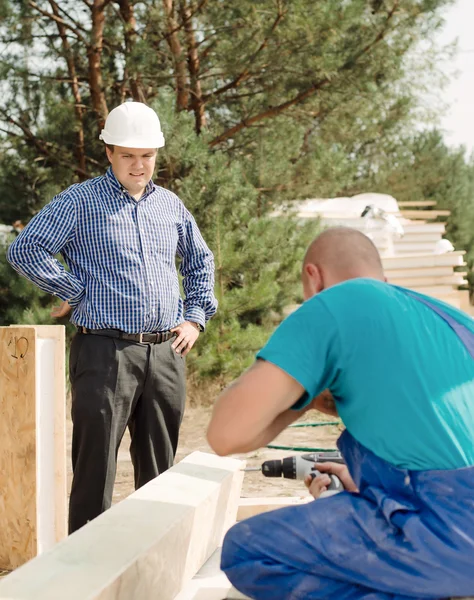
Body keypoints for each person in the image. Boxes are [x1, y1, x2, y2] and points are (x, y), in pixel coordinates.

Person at [207, 227, 474, 600]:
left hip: (447, 534)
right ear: (384, 278)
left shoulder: (336, 302)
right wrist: (367, 487)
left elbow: (226, 434)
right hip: (452, 521)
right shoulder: (452, 320)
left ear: (313, 279)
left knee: (248, 550)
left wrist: (308, 388)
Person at [7, 101, 217, 533]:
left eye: (147, 156)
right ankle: (86, 578)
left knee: (161, 472)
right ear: (109, 153)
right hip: (104, 353)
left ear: (157, 155)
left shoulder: (170, 206)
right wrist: (74, 290)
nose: (139, 166)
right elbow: (25, 249)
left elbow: (200, 262)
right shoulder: (79, 201)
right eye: (128, 155)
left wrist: (194, 317)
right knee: (95, 469)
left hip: (166, 353)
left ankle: (154, 568)